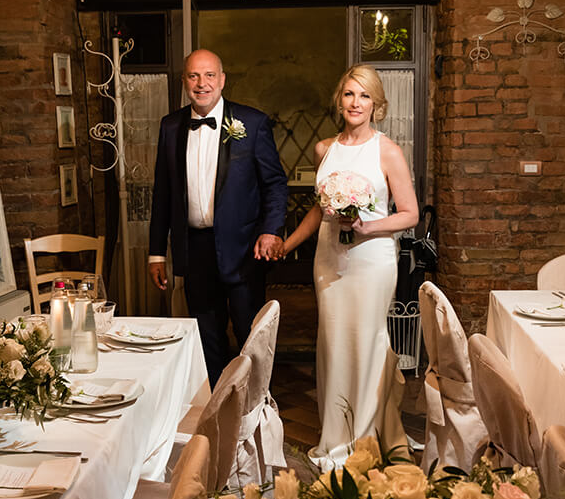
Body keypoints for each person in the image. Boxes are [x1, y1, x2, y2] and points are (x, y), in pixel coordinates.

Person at [274, 64, 419, 469]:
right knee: (334, 343)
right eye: (349, 95)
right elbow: (319, 214)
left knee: (369, 342)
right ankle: (335, 436)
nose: (356, 103)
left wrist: (367, 226)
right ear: (339, 100)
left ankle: (365, 440)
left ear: (377, 103)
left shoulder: (386, 150)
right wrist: (287, 245)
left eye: (365, 96)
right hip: (329, 259)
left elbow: (409, 214)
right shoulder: (324, 149)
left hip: (372, 260)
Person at [148, 49, 287, 386]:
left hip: (243, 250)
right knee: (206, 333)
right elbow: (163, 193)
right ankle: (216, 408)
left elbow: (275, 184)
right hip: (194, 248)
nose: (202, 83)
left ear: (222, 80)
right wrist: (156, 252)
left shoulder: (251, 124)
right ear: (184, 82)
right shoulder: (170, 126)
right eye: (194, 76)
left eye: (209, 75)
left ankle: (256, 406)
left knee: (249, 332)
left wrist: (271, 230)